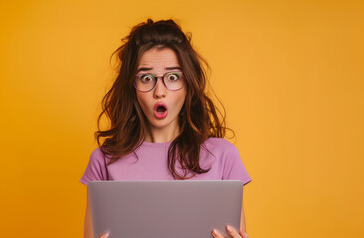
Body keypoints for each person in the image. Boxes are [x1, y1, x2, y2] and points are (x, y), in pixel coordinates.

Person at [79, 18, 251, 238]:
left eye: (172, 77)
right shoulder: (103, 160)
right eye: (146, 78)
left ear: (188, 84)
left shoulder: (224, 156)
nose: (159, 91)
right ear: (132, 87)